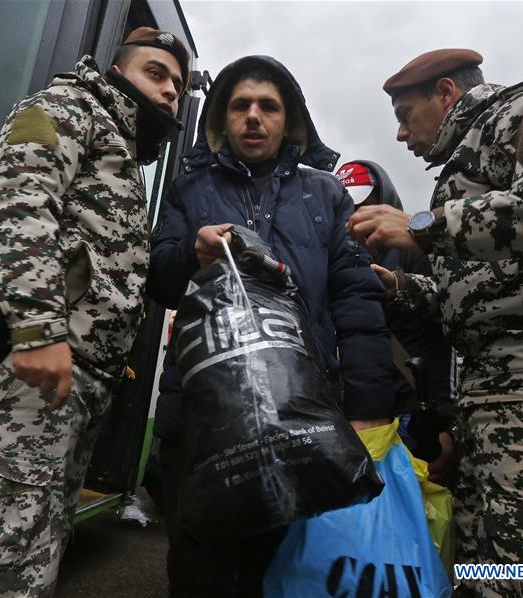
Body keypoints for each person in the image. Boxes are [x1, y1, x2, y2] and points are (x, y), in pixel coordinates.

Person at [346, 48, 523, 597]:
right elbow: (476, 293)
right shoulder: (460, 169)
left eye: (404, 115)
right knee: (484, 571)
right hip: (494, 413)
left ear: (447, 94)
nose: (400, 134)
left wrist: (423, 225)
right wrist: (399, 286)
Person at [0, 27, 189, 597]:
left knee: (32, 558)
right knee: (1, 566)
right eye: (156, 73)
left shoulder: (123, 154)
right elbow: (20, 198)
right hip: (31, 375)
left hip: (74, 385)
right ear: (117, 72)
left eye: (177, 83)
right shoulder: (69, 106)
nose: (171, 91)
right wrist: (37, 331)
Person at [149, 55, 395, 597]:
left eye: (268, 106)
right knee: (199, 576)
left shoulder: (325, 195)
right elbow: (158, 282)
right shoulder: (189, 191)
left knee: (285, 575)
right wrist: (192, 254)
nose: (253, 117)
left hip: (302, 419)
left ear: (290, 120)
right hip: (201, 423)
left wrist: (369, 409)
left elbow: (355, 300)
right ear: (222, 119)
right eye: (240, 106)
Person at [337, 160, 456, 483]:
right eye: (348, 205)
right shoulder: (331, 258)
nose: (356, 214)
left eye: (365, 203)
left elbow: (437, 337)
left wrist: (442, 422)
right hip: (352, 418)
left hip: (410, 417)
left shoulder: (413, 252)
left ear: (384, 201)